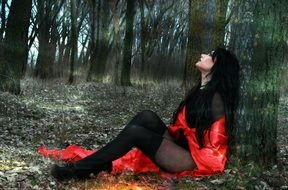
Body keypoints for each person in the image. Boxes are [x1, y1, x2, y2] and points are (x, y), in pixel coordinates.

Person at [51, 47, 240, 180]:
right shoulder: (200, 91)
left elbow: (213, 144)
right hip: (184, 147)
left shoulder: (215, 99)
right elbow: (184, 130)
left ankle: (78, 171)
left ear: (217, 66)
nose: (203, 55)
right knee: (146, 116)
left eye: (210, 55)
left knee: (136, 132)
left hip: (196, 160)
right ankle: (98, 163)